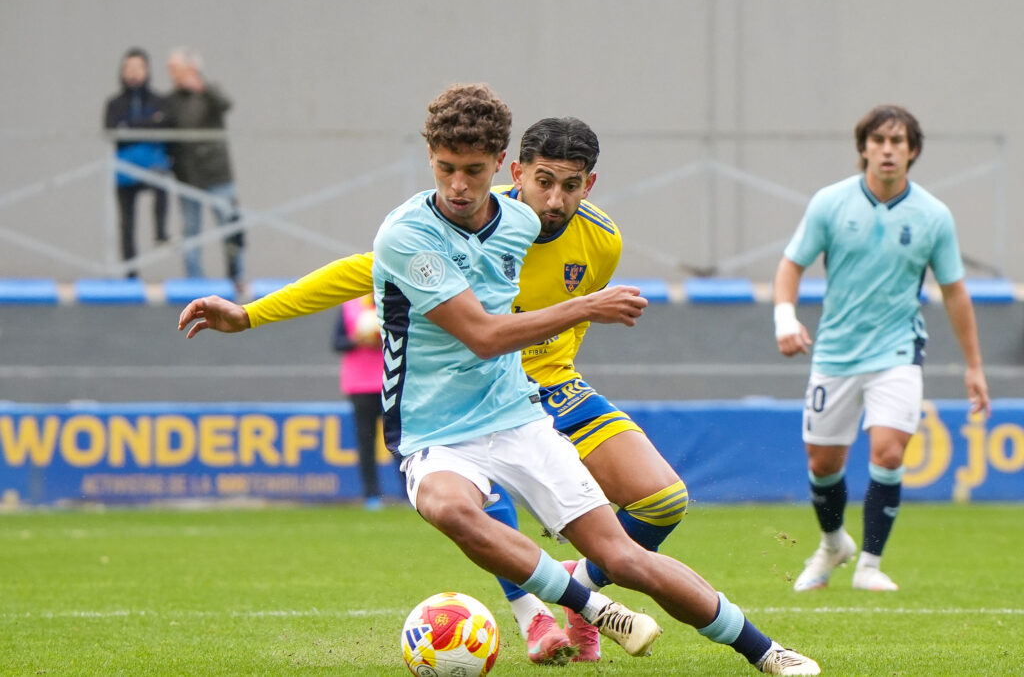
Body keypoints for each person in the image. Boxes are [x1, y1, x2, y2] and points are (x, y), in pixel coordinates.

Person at [181, 82, 820, 675]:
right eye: (445, 169)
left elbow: (536, 329)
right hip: (437, 425)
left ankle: (769, 654)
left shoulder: (531, 227)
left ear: (496, 165)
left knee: (631, 552)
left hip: (522, 406)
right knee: (450, 506)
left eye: (472, 170)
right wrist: (251, 314)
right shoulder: (408, 234)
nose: (459, 186)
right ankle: (583, 607)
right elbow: (462, 323)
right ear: (510, 172)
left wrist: (567, 339)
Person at [773, 104, 991, 593]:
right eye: (879, 141)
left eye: (898, 142)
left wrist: (973, 366)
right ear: (864, 148)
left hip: (897, 350)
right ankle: (833, 545)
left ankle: (870, 564)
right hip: (835, 351)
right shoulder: (831, 203)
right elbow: (791, 264)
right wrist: (786, 317)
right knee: (821, 465)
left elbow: (955, 290)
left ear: (912, 151)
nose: (887, 150)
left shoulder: (933, 216)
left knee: (889, 453)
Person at [166, 47, 244, 291]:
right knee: (191, 229)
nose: (173, 74)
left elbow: (226, 104)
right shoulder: (171, 100)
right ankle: (194, 282)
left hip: (217, 173)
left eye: (177, 69)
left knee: (230, 225)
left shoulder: (210, 92)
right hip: (188, 175)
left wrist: (203, 88)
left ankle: (236, 277)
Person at [103, 47, 172, 278]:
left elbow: (164, 125)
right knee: (127, 224)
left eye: (138, 67)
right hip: (125, 170)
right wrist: (148, 124)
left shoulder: (158, 100)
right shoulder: (114, 103)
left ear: (147, 70)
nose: (132, 73)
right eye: (128, 68)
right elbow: (112, 130)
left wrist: (131, 125)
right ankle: (129, 273)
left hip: (152, 166)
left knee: (162, 189)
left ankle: (161, 233)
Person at [332, 295, 391, 510]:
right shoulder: (350, 305)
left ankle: (408, 492)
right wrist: (356, 340)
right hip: (359, 384)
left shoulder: (391, 300)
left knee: (396, 441)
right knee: (366, 441)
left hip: (390, 382)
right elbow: (337, 342)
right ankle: (372, 495)